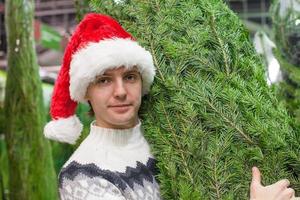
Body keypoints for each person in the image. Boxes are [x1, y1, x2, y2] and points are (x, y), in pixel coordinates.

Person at [43, 13, 298, 200]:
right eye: (104, 80)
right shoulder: (83, 176)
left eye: (130, 77)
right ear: (86, 90)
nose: (120, 92)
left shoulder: (170, 136)